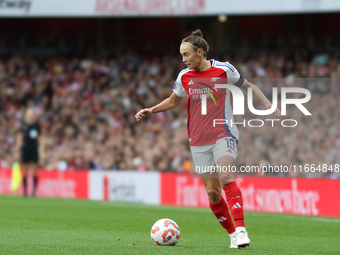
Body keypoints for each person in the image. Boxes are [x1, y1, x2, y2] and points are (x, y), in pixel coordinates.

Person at [135, 29, 281, 248]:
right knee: (213, 193)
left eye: (186, 55)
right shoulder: (184, 76)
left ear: (200, 53)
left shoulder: (224, 70)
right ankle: (232, 235)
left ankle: (241, 230)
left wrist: (268, 104)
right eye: (181, 55)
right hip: (198, 140)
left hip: (224, 132)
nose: (183, 60)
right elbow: (174, 101)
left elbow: (248, 85)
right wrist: (151, 110)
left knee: (226, 178)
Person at [15, 108, 44, 197]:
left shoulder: (36, 125)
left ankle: (34, 192)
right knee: (25, 171)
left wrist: (42, 150)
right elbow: (19, 138)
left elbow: (40, 139)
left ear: (33, 115)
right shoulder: (23, 125)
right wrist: (17, 150)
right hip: (25, 148)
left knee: (35, 170)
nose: (30, 115)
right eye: (28, 113)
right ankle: (25, 192)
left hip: (34, 148)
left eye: (31, 113)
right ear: (26, 115)